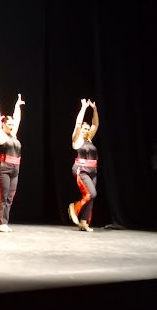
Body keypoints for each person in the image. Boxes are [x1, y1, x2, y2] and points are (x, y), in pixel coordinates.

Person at [0, 89, 25, 232]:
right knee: (3, 196)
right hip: (3, 167)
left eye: (13, 124)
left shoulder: (13, 135)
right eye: (10, 124)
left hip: (15, 168)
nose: (13, 126)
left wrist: (18, 105)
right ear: (4, 125)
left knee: (10, 196)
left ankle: (5, 222)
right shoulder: (0, 135)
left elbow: (17, 118)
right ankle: (0, 223)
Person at [68, 99, 99, 232]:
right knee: (91, 194)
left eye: (87, 129)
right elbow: (77, 124)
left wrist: (95, 110)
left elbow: (95, 124)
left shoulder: (89, 139)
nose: (86, 131)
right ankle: (74, 207)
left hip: (93, 170)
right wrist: (84, 108)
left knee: (90, 198)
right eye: (84, 129)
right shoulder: (77, 140)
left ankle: (84, 222)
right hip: (82, 170)